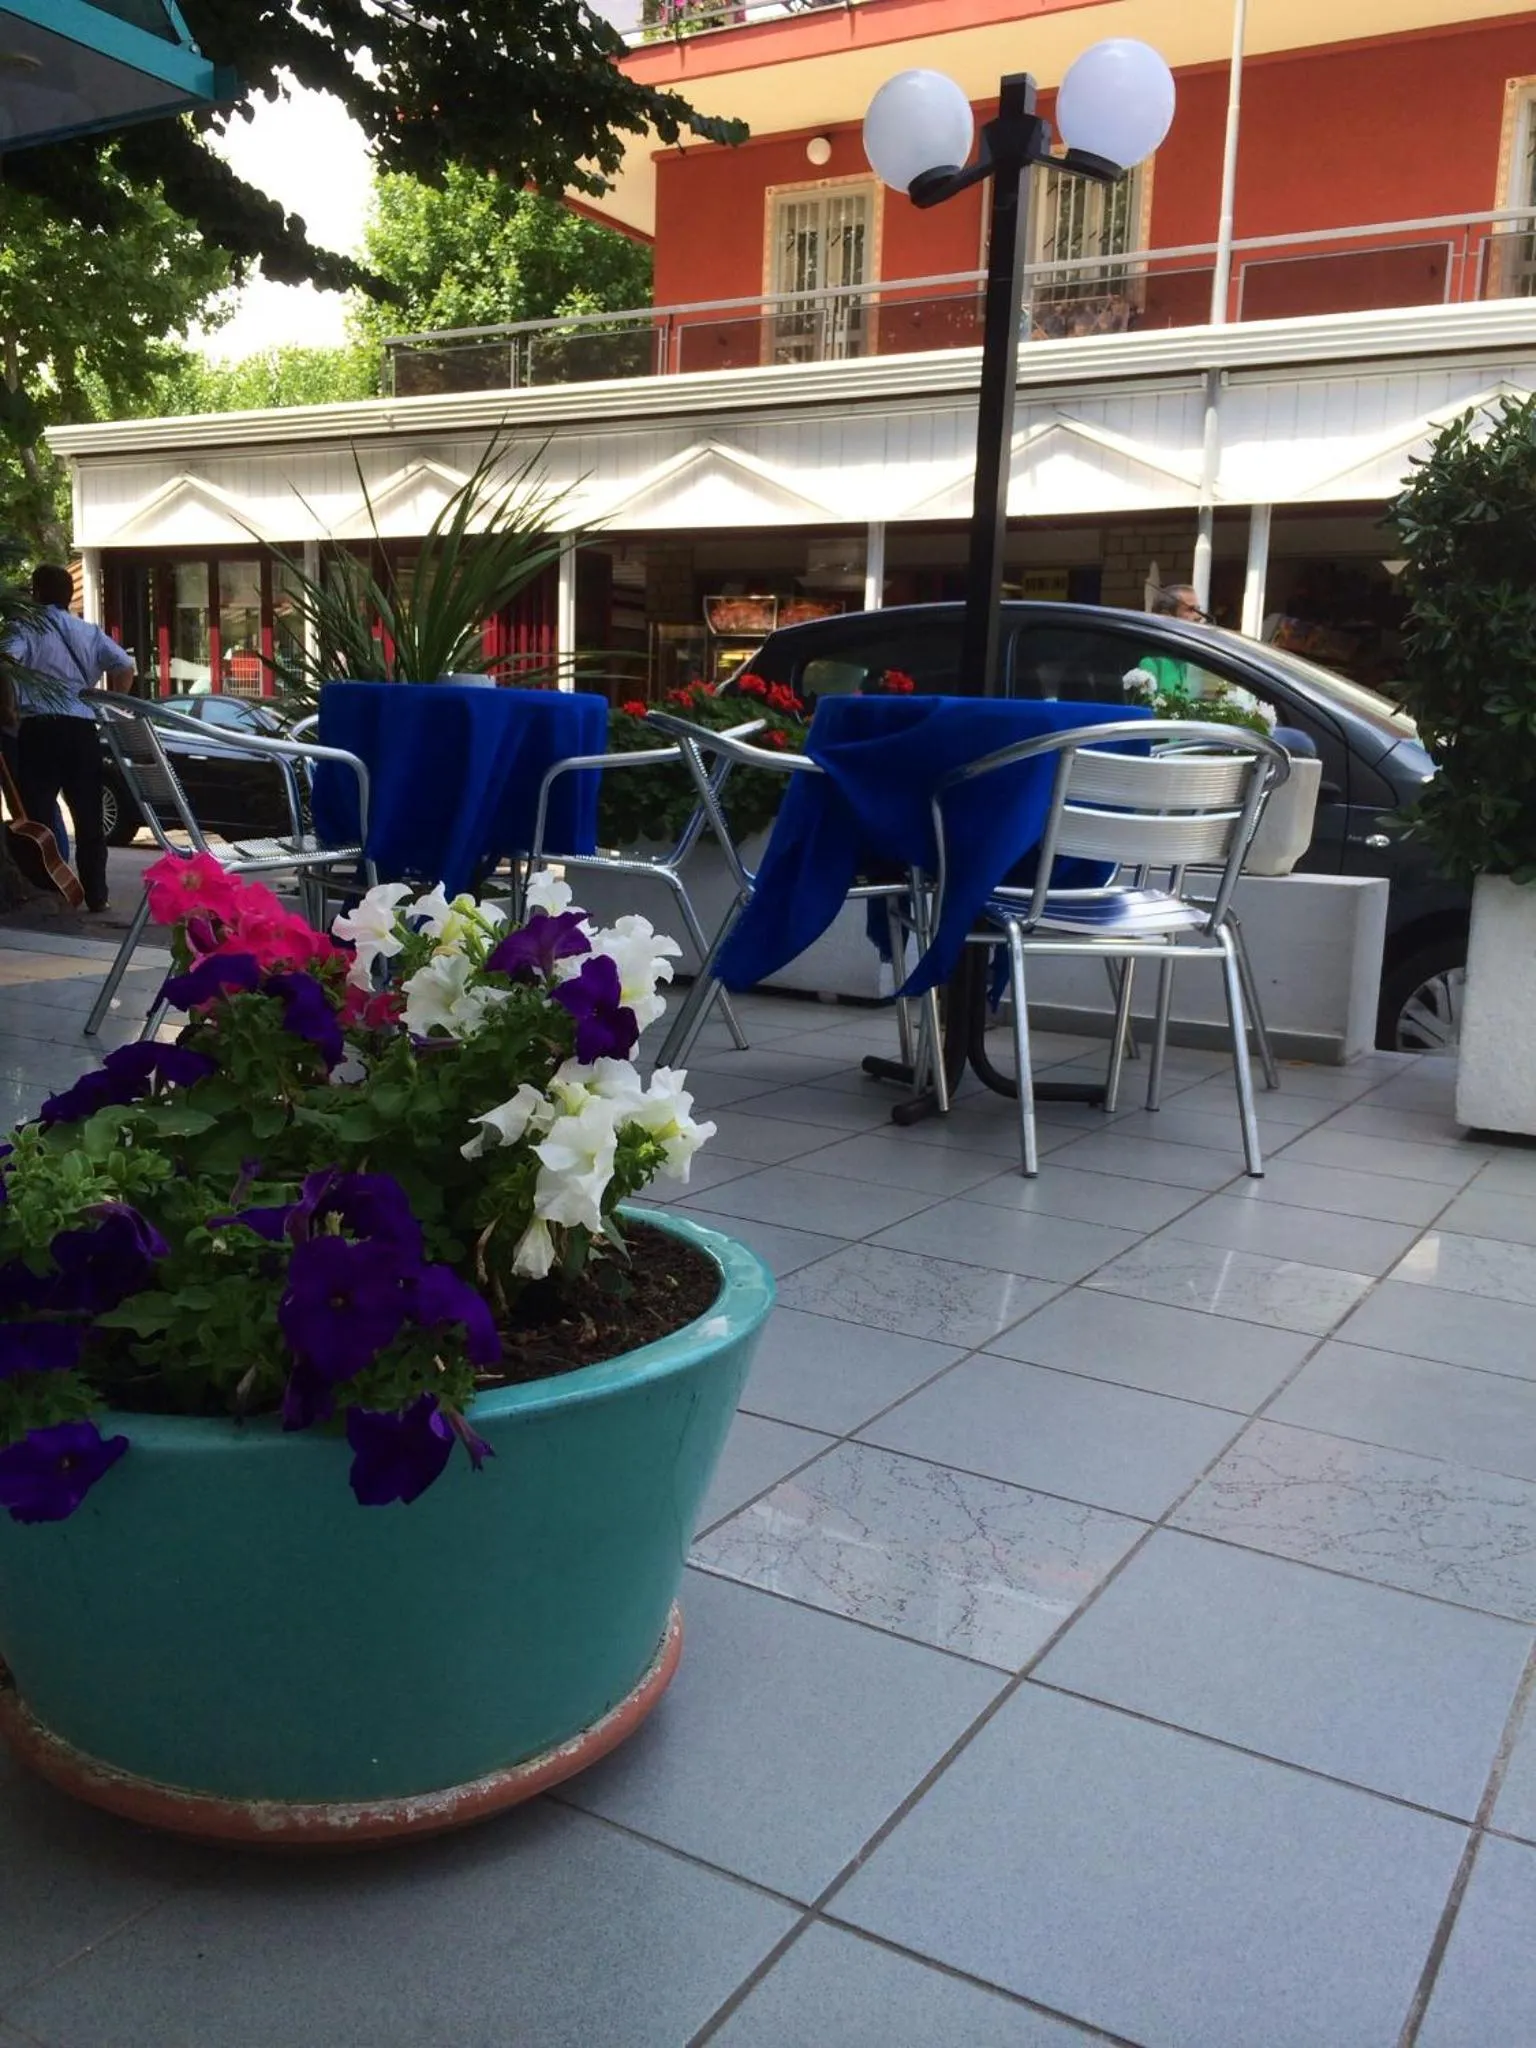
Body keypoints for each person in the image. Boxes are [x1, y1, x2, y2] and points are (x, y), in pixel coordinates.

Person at [3, 564, 135, 912]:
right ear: (66, 594)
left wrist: (8, 706)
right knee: (89, 817)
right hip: (81, 730)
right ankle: (96, 894)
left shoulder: (24, 628)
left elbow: (5, 661)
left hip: (39, 730)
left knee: (39, 816)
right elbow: (124, 665)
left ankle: (53, 888)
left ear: (36, 593)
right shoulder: (87, 631)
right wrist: (111, 710)